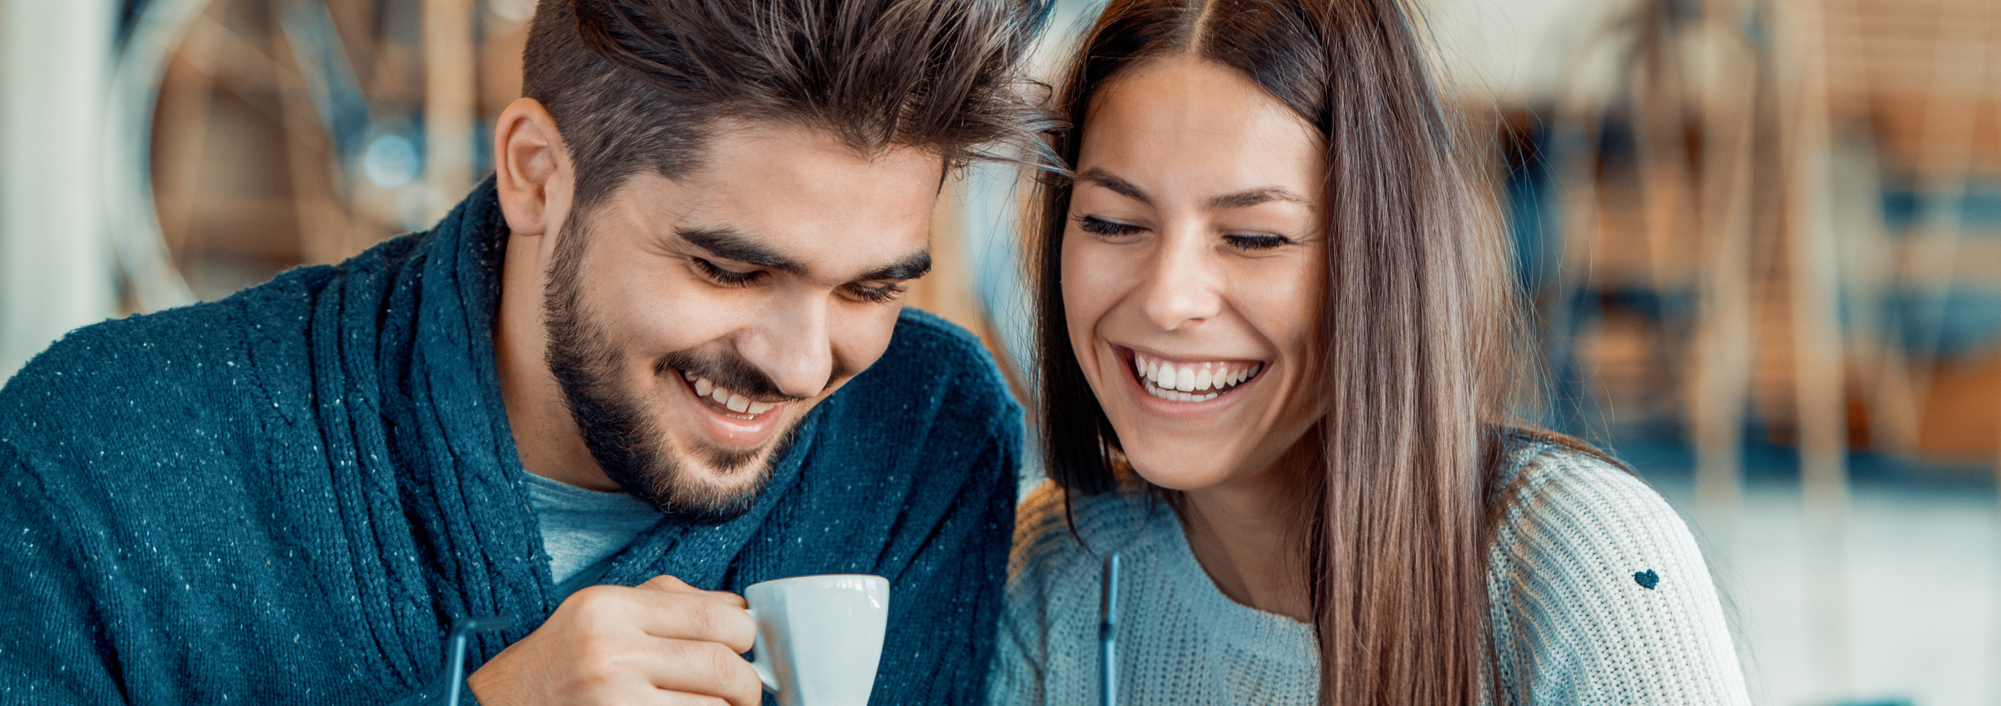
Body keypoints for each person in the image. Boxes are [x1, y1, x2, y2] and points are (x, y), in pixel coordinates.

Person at [0, 0, 1052, 703]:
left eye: (870, 287)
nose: (799, 362)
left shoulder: (921, 437)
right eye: (729, 270)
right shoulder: (98, 457)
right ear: (538, 172)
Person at [990, 0, 1749, 703]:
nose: (1166, 298)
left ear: (1383, 259)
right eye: (1114, 223)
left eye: (1255, 238)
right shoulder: (1058, 570)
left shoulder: (1579, 570)